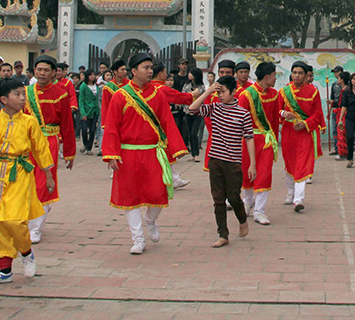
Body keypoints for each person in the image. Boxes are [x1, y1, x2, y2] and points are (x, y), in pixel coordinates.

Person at [102, 54, 192, 254]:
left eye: (151, 67)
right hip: (127, 154)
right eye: (145, 67)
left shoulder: (157, 94)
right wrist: (112, 154)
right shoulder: (120, 95)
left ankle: (150, 220)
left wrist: (177, 148)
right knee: (130, 198)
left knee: (159, 192)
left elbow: (167, 121)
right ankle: (137, 238)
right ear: (134, 71)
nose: (150, 71)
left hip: (152, 152)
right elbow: (112, 127)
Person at [0, 77, 55, 285]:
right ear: (4, 99)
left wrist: (48, 174)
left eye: (23, 94)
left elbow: (40, 148)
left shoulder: (29, 121)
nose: (22, 98)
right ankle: (4, 270)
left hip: (20, 173)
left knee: (15, 219)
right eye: (17, 94)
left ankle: (27, 252)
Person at [188, 75, 256, 247]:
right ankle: (223, 234)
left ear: (234, 92)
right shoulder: (214, 108)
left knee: (233, 197)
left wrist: (253, 164)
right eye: (219, 92)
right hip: (215, 160)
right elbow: (192, 109)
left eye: (224, 92)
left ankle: (242, 220)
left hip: (233, 162)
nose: (221, 95)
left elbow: (249, 138)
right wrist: (208, 92)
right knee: (218, 200)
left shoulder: (243, 114)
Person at [24, 55, 76, 244]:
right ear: (34, 71)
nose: (42, 73)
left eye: (47, 70)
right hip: (27, 143)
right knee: (25, 182)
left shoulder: (61, 93)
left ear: (54, 72)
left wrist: (69, 152)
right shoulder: (26, 92)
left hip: (49, 142)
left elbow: (67, 125)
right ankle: (31, 218)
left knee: (43, 183)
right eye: (39, 69)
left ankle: (35, 228)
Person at [236, 62, 281, 225]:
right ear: (267, 77)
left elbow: (275, 120)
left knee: (264, 174)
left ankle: (259, 210)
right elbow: (239, 121)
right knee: (247, 173)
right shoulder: (247, 95)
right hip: (249, 140)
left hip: (267, 141)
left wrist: (274, 140)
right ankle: (248, 201)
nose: (276, 78)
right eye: (275, 75)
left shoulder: (275, 94)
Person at [278, 61, 324, 212]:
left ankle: (299, 199)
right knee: (290, 163)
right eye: (294, 73)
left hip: (304, 134)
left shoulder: (313, 92)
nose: (297, 76)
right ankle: (290, 192)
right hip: (288, 133)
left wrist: (305, 124)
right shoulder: (283, 92)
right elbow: (276, 112)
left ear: (306, 76)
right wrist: (284, 114)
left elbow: (317, 114)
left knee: (302, 163)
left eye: (300, 73)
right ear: (291, 74)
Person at [78, 70, 101, 154]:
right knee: (84, 129)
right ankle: (85, 144)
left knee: (92, 130)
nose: (92, 76)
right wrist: (82, 112)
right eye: (90, 75)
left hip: (94, 111)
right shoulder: (83, 86)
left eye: (93, 75)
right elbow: (81, 100)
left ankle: (89, 148)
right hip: (86, 110)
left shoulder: (96, 86)